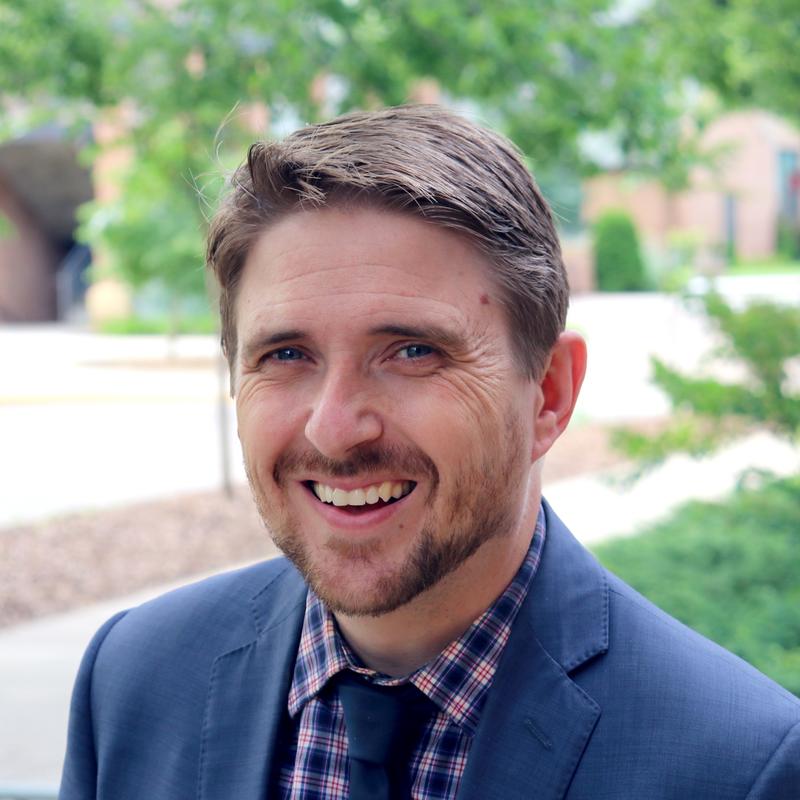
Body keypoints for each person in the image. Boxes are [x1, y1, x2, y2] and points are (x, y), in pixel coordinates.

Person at [60, 105, 800, 800]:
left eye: (412, 351)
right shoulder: (132, 681)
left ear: (547, 395)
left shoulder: (741, 765)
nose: (334, 429)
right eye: (286, 354)